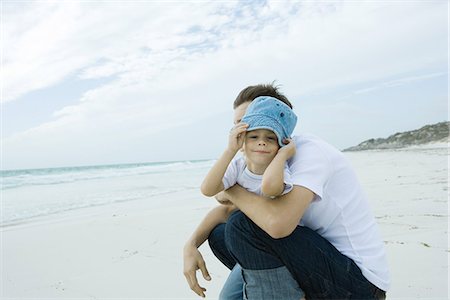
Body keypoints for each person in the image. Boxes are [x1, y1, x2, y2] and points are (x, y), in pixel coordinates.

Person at [183, 83, 390, 299]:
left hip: (358, 284)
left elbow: (278, 225)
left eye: (248, 121)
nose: (242, 130)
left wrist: (231, 189)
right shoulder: (254, 162)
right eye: (237, 125)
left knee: (242, 226)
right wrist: (191, 245)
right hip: (317, 264)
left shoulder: (309, 152)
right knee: (221, 233)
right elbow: (224, 208)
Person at [199, 95, 304, 300]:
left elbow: (271, 188)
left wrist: (283, 155)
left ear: (281, 144)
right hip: (250, 240)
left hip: (281, 246)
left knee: (238, 223)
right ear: (242, 140)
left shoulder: (280, 168)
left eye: (270, 138)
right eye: (254, 137)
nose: (262, 143)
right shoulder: (238, 166)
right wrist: (231, 150)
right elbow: (208, 189)